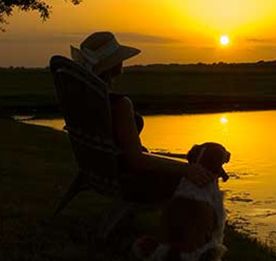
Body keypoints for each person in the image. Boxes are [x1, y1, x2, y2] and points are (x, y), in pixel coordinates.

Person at [70, 31, 213, 203]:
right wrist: (186, 169)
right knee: (198, 178)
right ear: (112, 65)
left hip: (99, 172)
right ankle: (199, 227)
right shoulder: (119, 105)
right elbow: (136, 161)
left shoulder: (85, 100)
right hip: (127, 180)